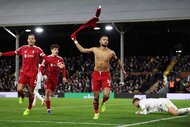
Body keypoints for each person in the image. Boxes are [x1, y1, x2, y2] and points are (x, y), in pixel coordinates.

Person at [0, 34, 64, 115]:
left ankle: (29, 107)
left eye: (32, 39)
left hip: (33, 75)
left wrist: (56, 63)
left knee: (31, 93)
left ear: (35, 40)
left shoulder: (38, 50)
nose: (31, 40)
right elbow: (14, 52)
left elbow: (46, 58)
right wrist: (2, 54)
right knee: (19, 89)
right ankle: (22, 96)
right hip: (24, 73)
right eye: (29, 39)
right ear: (27, 40)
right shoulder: (23, 48)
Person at [71, 35, 126, 119]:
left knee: (107, 95)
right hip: (96, 75)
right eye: (104, 40)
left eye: (107, 40)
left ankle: (103, 102)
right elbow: (82, 50)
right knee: (96, 97)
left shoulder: (111, 52)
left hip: (105, 75)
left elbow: (117, 60)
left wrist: (123, 70)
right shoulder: (95, 49)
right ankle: (96, 113)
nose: (106, 41)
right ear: (100, 41)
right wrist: (75, 40)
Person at [40, 44, 66, 115]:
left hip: (55, 79)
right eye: (55, 49)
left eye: (57, 50)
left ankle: (45, 99)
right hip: (48, 78)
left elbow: (63, 68)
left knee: (51, 94)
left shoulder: (60, 59)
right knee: (48, 92)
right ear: (51, 50)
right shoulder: (47, 58)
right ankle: (48, 110)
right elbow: (41, 67)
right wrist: (44, 75)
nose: (56, 51)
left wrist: (64, 77)